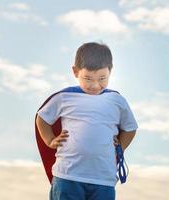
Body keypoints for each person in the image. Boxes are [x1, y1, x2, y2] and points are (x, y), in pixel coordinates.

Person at [36, 42, 138, 200]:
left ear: (110, 72)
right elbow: (42, 118)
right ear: (76, 72)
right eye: (88, 78)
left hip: (103, 179)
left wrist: (119, 148)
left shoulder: (116, 100)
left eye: (102, 78)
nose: (95, 85)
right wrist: (50, 140)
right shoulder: (65, 97)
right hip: (68, 175)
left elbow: (130, 128)